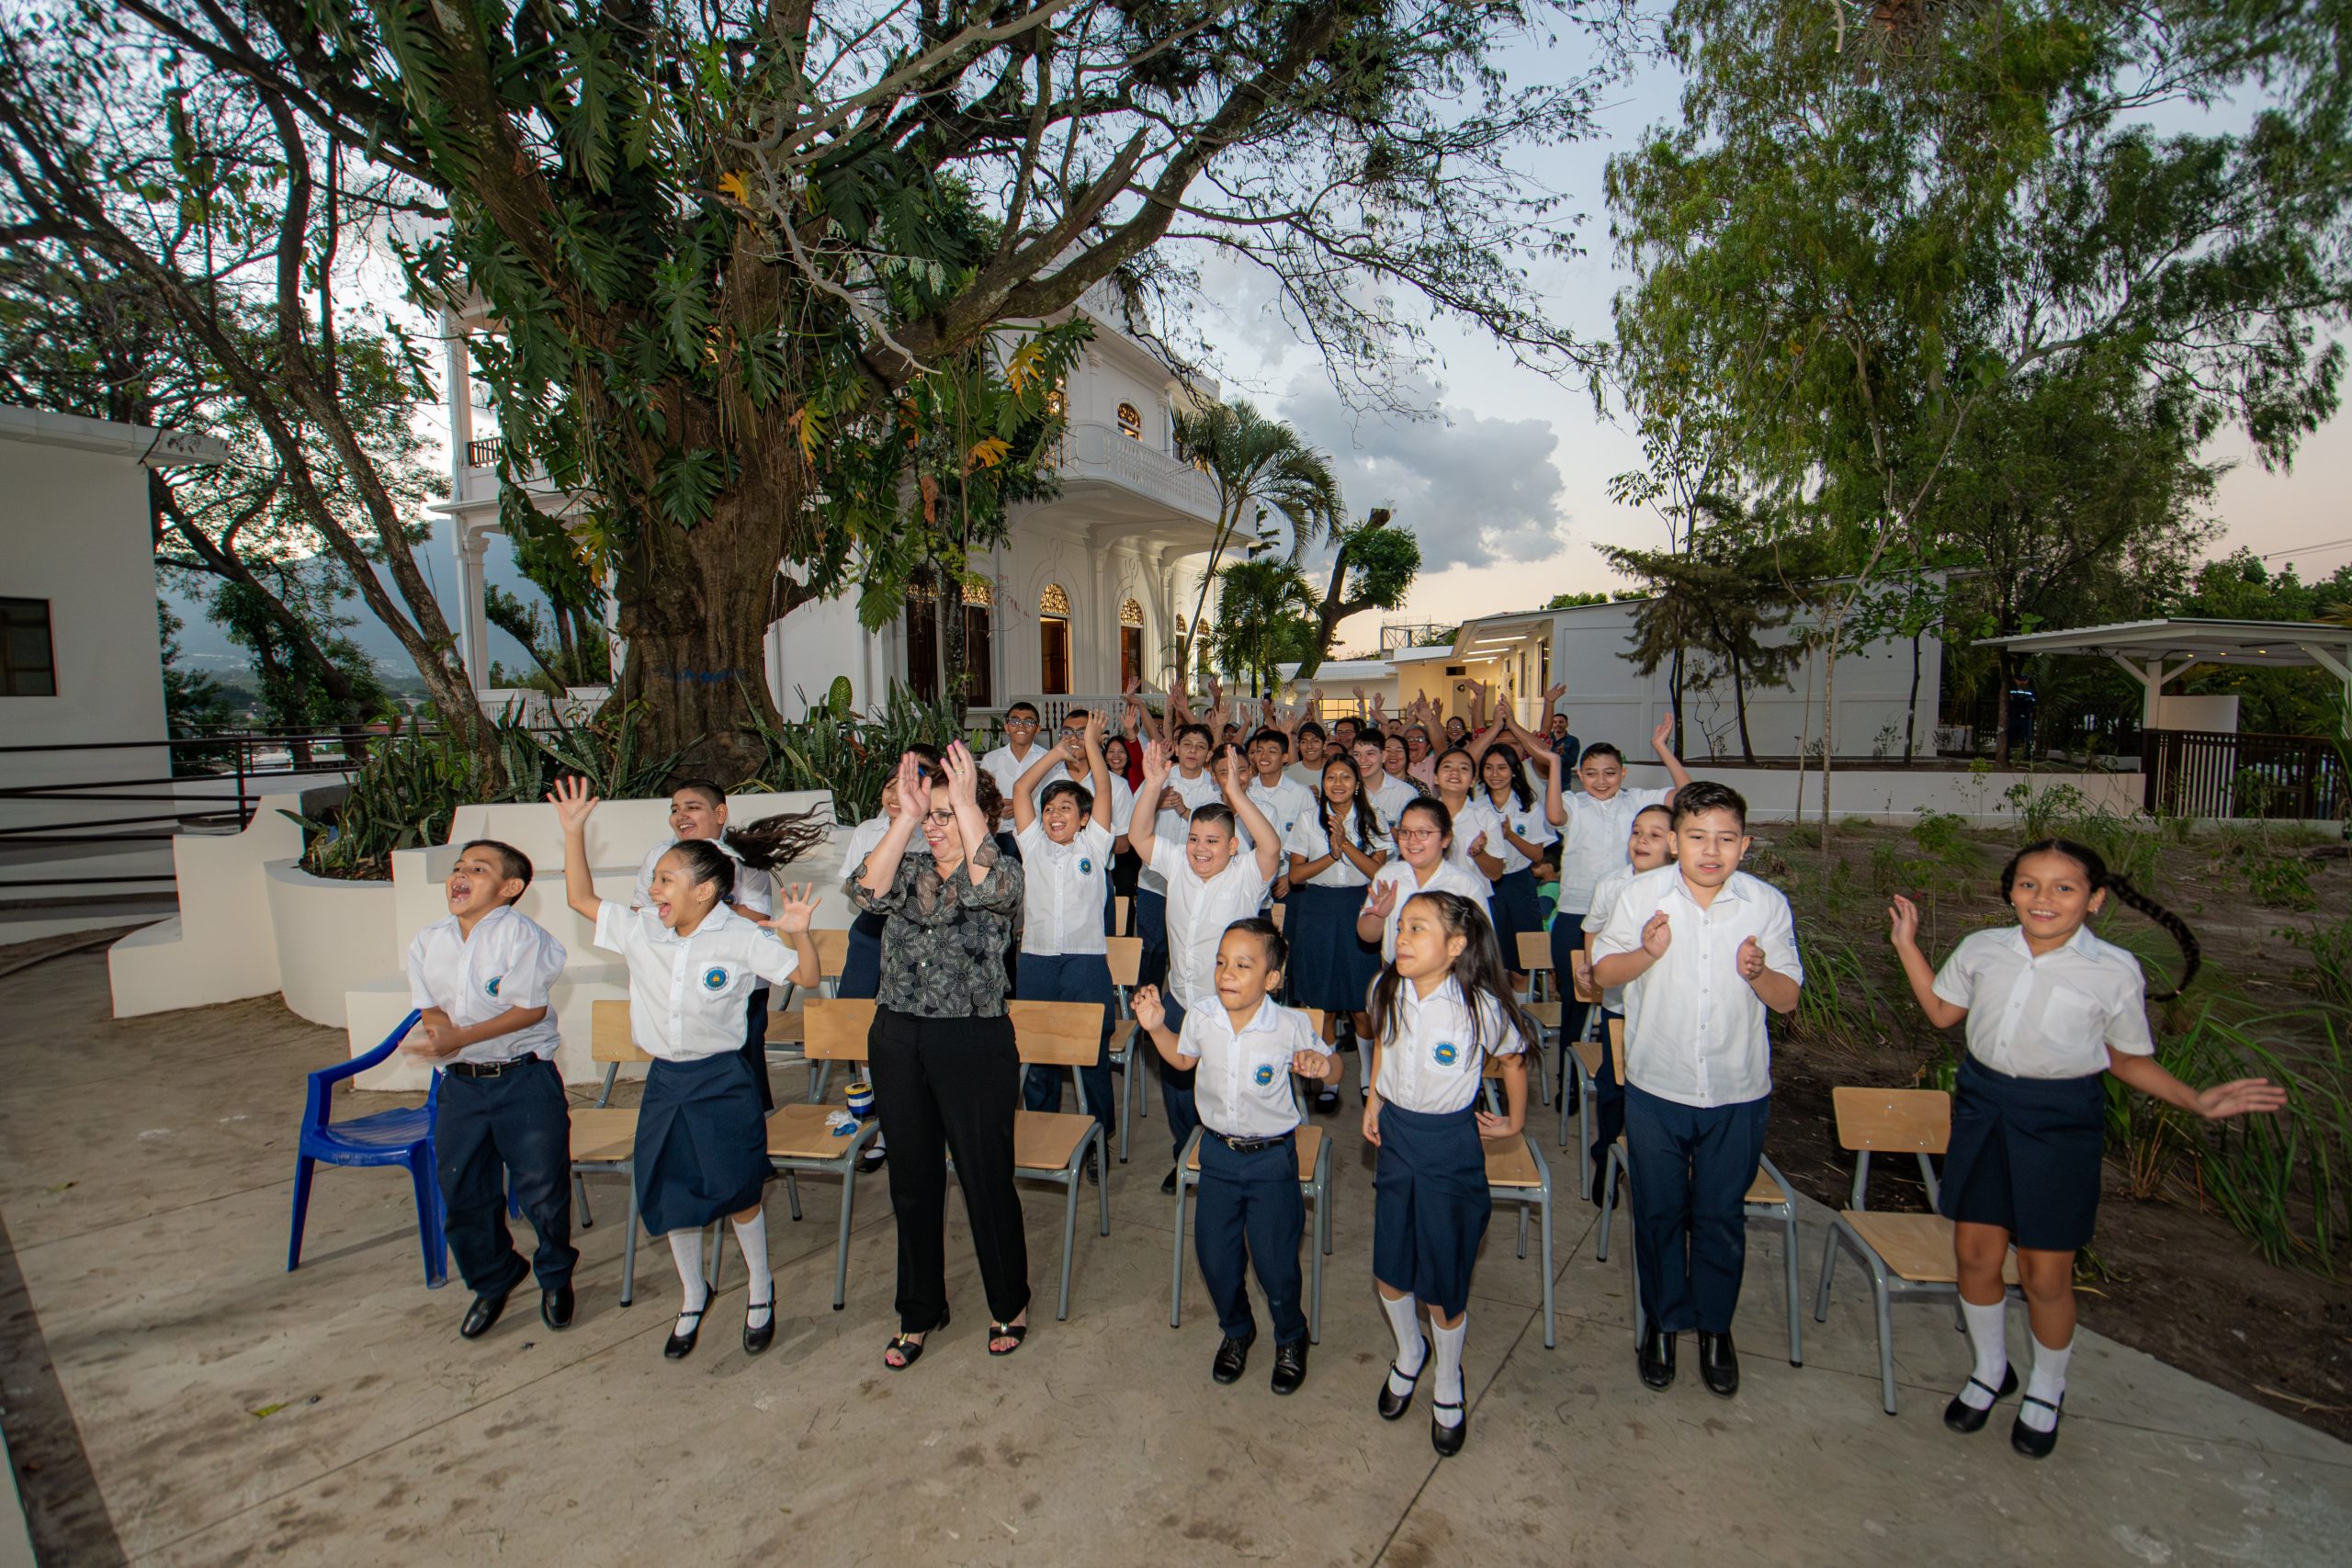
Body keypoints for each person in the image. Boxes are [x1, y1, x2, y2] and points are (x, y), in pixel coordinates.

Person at [1887, 841, 2282, 1458]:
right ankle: (1991, 1369)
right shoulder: (1982, 948)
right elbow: (1942, 1012)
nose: (2042, 898)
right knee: (1974, 1253)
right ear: (2010, 891)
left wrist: (2195, 1099)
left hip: (2060, 1121)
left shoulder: (2115, 969)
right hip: (1985, 1108)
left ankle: (2048, 1387)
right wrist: (1907, 945)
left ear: (2094, 899)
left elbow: (2125, 1058)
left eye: (2063, 887)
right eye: (2028, 884)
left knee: (2045, 1274)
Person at [549, 779, 822, 1361]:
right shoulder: (643, 929)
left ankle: (760, 1288)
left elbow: (806, 978)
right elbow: (579, 898)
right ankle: (694, 1293)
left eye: (665, 880)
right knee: (674, 1191)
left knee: (738, 1188)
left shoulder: (740, 936)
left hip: (723, 1080)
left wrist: (800, 935)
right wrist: (573, 832)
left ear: (704, 890)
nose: (653, 890)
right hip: (666, 1082)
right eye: (655, 879)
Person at [1591, 781, 1800, 1400]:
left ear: (1745, 844)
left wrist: (1759, 973)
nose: (1712, 851)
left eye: (1726, 838)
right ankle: (1662, 1322)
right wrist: (1645, 952)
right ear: (1676, 840)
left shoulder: (1765, 904)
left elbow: (1787, 999)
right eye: (1698, 836)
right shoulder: (1640, 896)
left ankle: (1714, 1327)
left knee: (1720, 1215)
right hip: (1657, 1083)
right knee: (1658, 1212)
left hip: (1737, 1088)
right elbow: (1603, 973)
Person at [851, 746, 1032, 1365]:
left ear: (978, 815)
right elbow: (864, 892)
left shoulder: (1000, 869)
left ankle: (1009, 1299)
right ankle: (920, 1308)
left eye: (945, 814)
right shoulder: (908, 868)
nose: (934, 826)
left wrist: (966, 804)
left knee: (985, 1176)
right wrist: (907, 815)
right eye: (929, 815)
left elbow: (996, 891)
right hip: (898, 1036)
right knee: (911, 1180)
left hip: (972, 1038)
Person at [1363, 889, 1533, 1457]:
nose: (1402, 937)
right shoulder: (1387, 988)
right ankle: (1410, 1352)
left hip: (1450, 1145)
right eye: (1401, 927)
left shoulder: (1479, 1006)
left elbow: (1513, 1057)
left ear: (1456, 946)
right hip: (1398, 1138)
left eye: (1418, 929)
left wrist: (1514, 1122)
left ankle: (1448, 1378)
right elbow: (1383, 1044)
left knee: (1444, 1279)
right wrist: (1374, 1099)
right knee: (1390, 1268)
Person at [1134, 920, 1330, 1393]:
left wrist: (1324, 1064)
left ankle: (1291, 1335)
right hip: (1218, 1156)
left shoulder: (1289, 1025)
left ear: (1271, 979)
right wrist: (1157, 1028)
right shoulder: (1202, 1016)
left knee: (1274, 1262)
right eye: (1222, 962)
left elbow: (1334, 1063)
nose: (1227, 972)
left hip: (1271, 1161)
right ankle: (1238, 1329)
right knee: (1215, 1257)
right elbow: (1182, 1060)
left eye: (1243, 965)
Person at [401, 839, 574, 1339]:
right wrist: (440, 1035)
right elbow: (431, 1006)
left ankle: (555, 1277)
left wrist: (460, 1037)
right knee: (463, 1192)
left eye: (478, 869)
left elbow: (529, 1010)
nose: (461, 875)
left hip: (524, 1080)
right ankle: (495, 1277)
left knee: (543, 1191)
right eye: (458, 868)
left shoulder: (524, 937)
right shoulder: (429, 940)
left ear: (510, 887)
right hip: (461, 1087)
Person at [1130, 739, 1284, 1192]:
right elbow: (1139, 837)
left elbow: (1271, 847)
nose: (1200, 849)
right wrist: (1153, 785)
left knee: (1227, 1091)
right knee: (1178, 1091)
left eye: (1213, 841)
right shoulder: (1178, 864)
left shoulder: (1246, 875)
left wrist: (1234, 793)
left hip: (1230, 1008)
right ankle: (1186, 1156)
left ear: (1233, 846)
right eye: (1195, 839)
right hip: (1182, 999)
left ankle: (1228, 1162)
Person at [1549, 719, 1693, 1074]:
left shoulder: (1637, 801)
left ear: (1623, 773)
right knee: (1576, 997)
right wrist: (1554, 765)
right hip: (1575, 912)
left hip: (1627, 914)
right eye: (1592, 773)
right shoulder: (1573, 802)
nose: (1601, 781)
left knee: (1630, 1000)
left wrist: (1661, 747)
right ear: (1580, 775)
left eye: (1610, 773)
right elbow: (1554, 815)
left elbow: (1687, 795)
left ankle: (1622, 1070)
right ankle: (1572, 1076)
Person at [630, 779, 783, 1111]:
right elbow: (641, 912)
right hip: (677, 978)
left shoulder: (744, 857)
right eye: (675, 809)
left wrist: (686, 909)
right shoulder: (660, 855)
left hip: (737, 981)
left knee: (743, 1063)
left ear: (720, 814)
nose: (680, 815)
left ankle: (753, 1128)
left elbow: (755, 915)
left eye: (692, 807)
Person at [1011, 713, 1119, 1175]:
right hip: (1036, 960)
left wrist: (1090, 743)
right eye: (1050, 809)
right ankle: (1043, 1131)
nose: (1055, 815)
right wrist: (1057, 752)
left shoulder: (1093, 847)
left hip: (1085, 962)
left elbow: (1104, 787)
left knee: (1091, 1055)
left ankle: (1098, 1139)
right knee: (1038, 1054)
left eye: (1066, 809)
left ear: (1084, 819)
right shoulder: (1032, 846)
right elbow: (1021, 790)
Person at [1354, 797, 1489, 1102]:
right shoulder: (1388, 875)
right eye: (1405, 832)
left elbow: (1480, 948)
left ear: (1446, 838)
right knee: (1396, 1068)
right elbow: (1367, 936)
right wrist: (1378, 914)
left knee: (1437, 1072)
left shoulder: (1463, 884)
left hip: (1450, 991)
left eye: (1423, 833)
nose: (1412, 840)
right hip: (1397, 984)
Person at [1577, 804, 1675, 1198]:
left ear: (1673, 843)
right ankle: (1607, 1158)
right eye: (1636, 832)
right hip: (1620, 1006)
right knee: (1613, 1086)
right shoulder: (1612, 883)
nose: (1642, 841)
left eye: (1654, 834)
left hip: (1665, 1011)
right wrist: (1590, 966)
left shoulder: (1682, 889)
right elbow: (1593, 929)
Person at [1284, 753, 1391, 1111]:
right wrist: (1330, 856)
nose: (1338, 783)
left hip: (1361, 910)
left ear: (1357, 784)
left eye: (1346, 777)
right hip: (1317, 910)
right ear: (1323, 783)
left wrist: (1344, 845)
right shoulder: (1307, 820)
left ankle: (1367, 1078)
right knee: (1323, 1004)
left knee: (1362, 1004)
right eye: (1331, 777)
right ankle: (1329, 1079)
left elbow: (1378, 874)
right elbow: (1296, 876)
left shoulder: (1373, 818)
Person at [1135, 722, 1223, 993]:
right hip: (1154, 882)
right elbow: (1133, 819)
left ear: (1209, 754)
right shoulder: (1160, 776)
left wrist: (1186, 811)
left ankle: (1187, 1005)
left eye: (1200, 747)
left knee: (1190, 950)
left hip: (1197, 884)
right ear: (1177, 748)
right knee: (1151, 949)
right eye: (1187, 744)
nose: (1193, 751)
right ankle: (1147, 1007)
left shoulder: (1214, 786)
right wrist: (1154, 803)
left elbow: (1219, 828)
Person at [1468, 740, 1558, 991]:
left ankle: (1521, 1011)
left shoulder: (1528, 806)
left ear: (1514, 771)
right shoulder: (1476, 807)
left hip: (1519, 884)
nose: (1495, 774)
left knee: (1521, 964)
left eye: (1502, 768)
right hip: (1486, 884)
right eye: (1489, 768)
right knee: (1492, 961)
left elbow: (1538, 855)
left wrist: (1510, 836)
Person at [1243, 727, 1317, 908]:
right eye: (1259, 751)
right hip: (1248, 881)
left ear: (1285, 757)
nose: (1264, 756)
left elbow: (1313, 842)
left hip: (1286, 883)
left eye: (1272, 751)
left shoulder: (1301, 794)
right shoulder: (1245, 792)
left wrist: (1291, 877)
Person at [979, 701, 1051, 840]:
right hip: (998, 835)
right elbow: (981, 798)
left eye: (1028, 722)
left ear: (1037, 729)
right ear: (1006, 727)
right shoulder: (991, 759)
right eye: (1015, 721)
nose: (1021, 726)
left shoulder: (1047, 759)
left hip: (1037, 835)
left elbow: (1054, 797)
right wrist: (996, 809)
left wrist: (1021, 805)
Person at [1355, 733, 1419, 827]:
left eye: (1370, 754)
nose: (1362, 760)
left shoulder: (1406, 794)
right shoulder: (1348, 790)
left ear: (1384, 756)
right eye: (1357, 754)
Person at [1283, 720, 1329, 793]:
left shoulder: (1332, 773)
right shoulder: (1286, 775)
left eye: (1315, 741)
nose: (1309, 746)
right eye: (1304, 742)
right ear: (1299, 745)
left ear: (1324, 745)